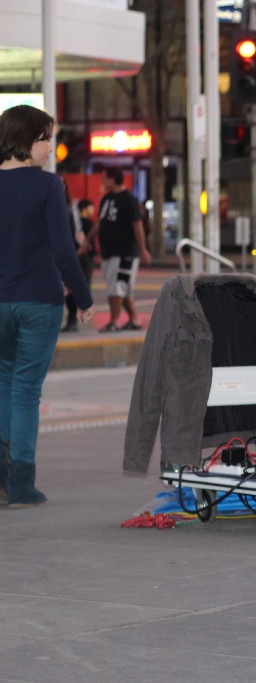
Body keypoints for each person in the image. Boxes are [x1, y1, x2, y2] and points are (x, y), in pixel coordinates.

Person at [0, 105, 94, 507]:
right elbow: (63, 249)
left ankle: (3, 479)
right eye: (47, 139)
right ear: (28, 141)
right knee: (25, 391)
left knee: (3, 384)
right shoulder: (47, 186)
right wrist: (84, 297)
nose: (52, 147)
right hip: (38, 300)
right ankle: (21, 482)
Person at [86, 167, 151, 331]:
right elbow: (100, 222)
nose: (102, 181)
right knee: (123, 288)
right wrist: (87, 239)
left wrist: (142, 249)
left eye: (104, 178)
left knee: (117, 287)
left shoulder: (129, 199)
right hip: (109, 251)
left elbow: (138, 226)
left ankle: (114, 322)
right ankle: (135, 320)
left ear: (112, 179)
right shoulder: (106, 198)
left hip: (125, 252)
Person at [63, 198, 96, 332]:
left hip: (75, 256)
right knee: (76, 288)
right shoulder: (83, 220)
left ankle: (73, 320)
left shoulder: (68, 210)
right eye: (90, 207)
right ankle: (74, 320)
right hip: (79, 257)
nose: (92, 209)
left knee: (73, 288)